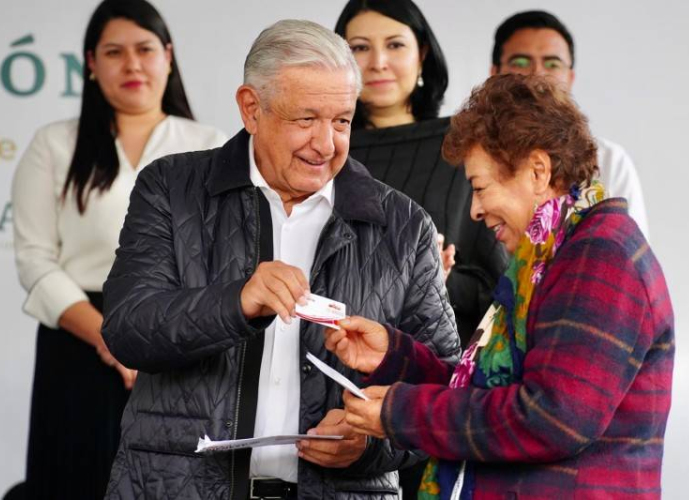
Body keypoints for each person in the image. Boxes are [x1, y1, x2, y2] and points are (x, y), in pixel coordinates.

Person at [100, 19, 460, 499]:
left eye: (342, 121)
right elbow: (126, 328)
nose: (326, 144)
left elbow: (446, 390)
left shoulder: (403, 224)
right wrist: (236, 303)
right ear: (251, 109)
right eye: (306, 120)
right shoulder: (171, 188)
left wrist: (371, 445)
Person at [323, 75, 674, 499]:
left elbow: (552, 419)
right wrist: (395, 358)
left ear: (538, 171)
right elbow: (490, 394)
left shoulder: (601, 254)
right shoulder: (548, 258)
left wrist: (398, 412)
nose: (473, 210)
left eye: (480, 187)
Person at [11, 0, 226, 497]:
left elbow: (218, 264)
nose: (132, 64)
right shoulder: (54, 145)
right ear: (90, 63)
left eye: (145, 49)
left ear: (168, 56)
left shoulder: (209, 146)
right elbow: (35, 259)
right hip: (79, 343)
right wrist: (109, 337)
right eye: (114, 52)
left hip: (175, 346)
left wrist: (160, 338)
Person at [335, 0, 507, 347]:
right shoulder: (319, 148)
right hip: (330, 354)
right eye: (360, 48)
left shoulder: (465, 146)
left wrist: (437, 279)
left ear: (422, 54)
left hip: (435, 371)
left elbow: (495, 291)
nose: (378, 62)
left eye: (395, 45)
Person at [491, 10, 650, 238]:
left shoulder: (609, 162)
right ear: (494, 73)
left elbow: (631, 260)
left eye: (552, 64)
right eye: (520, 62)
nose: (537, 74)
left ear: (570, 77)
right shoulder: (472, 161)